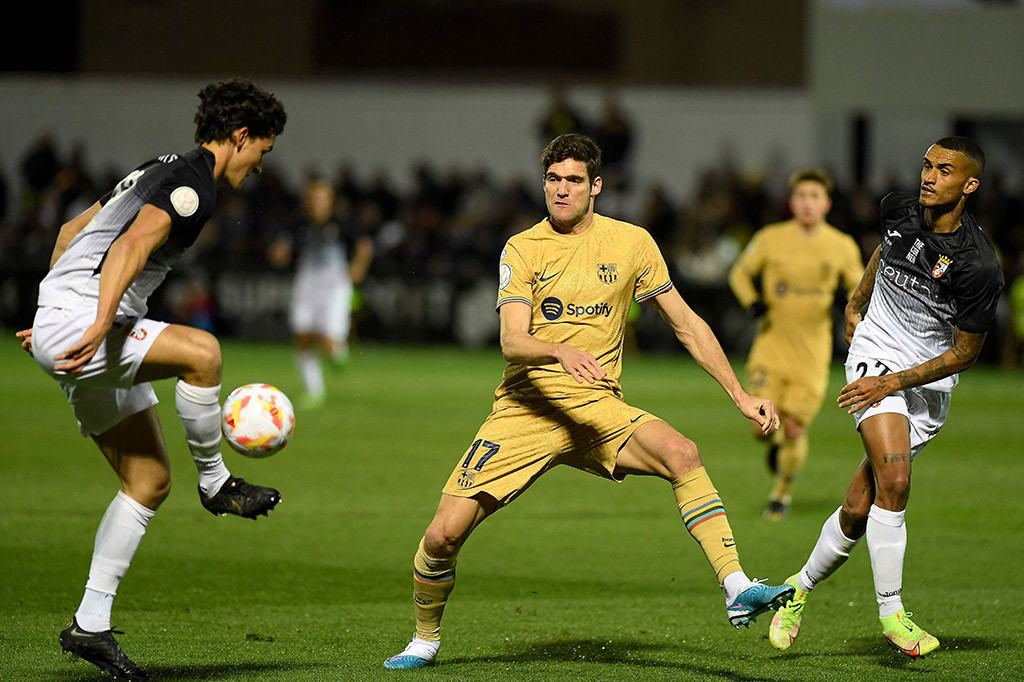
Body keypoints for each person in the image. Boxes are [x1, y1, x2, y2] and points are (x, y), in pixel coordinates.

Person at [383, 133, 794, 670]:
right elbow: (511, 340)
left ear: (596, 186)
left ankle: (736, 585)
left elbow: (687, 325)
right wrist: (560, 349)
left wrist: (739, 394)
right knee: (442, 535)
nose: (561, 189)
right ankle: (425, 638)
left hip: (596, 408)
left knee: (682, 452)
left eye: (573, 180)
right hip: (527, 408)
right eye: (553, 179)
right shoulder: (523, 248)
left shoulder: (633, 243)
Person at [15, 78, 287, 680]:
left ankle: (90, 625)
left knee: (148, 480)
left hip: (69, 318)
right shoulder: (194, 187)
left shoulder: (157, 167)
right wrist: (92, 323)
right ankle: (216, 485)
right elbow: (130, 247)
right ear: (240, 137)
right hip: (87, 321)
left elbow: (69, 235)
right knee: (205, 353)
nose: (261, 167)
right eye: (262, 152)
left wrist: (52, 317)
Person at [768, 137, 1003, 657]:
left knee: (859, 506)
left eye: (944, 169)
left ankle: (795, 590)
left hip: (925, 384)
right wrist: (856, 303)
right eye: (926, 165)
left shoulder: (979, 266)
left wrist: (896, 382)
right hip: (876, 357)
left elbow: (965, 353)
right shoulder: (898, 207)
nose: (928, 176)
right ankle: (893, 614)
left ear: (969, 185)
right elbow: (887, 250)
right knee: (895, 481)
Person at [728, 169, 864, 520]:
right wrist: (752, 302)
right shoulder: (771, 238)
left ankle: (781, 496)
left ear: (827, 203)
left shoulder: (841, 245)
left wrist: (852, 311)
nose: (807, 203)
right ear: (792, 201)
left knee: (794, 427)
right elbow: (739, 272)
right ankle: (775, 449)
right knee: (761, 427)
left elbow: (859, 286)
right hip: (771, 346)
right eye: (801, 196)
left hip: (811, 353)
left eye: (815, 197)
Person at [273, 177, 373, 407]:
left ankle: (338, 353)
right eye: (314, 198)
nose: (318, 202)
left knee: (328, 341)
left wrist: (358, 267)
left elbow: (364, 245)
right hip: (306, 283)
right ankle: (314, 392)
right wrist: (279, 254)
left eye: (322, 197)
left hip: (335, 285)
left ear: (330, 200)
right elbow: (282, 248)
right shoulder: (297, 223)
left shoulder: (343, 223)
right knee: (302, 335)